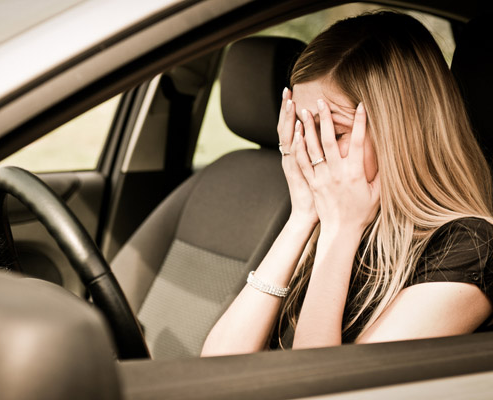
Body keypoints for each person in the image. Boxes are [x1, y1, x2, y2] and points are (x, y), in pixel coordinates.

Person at [201, 11, 493, 356]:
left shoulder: (470, 246)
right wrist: (302, 218)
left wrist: (340, 231)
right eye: (301, 127)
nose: (310, 149)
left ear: (400, 135)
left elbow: (319, 383)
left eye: (331, 132)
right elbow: (219, 362)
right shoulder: (338, 212)